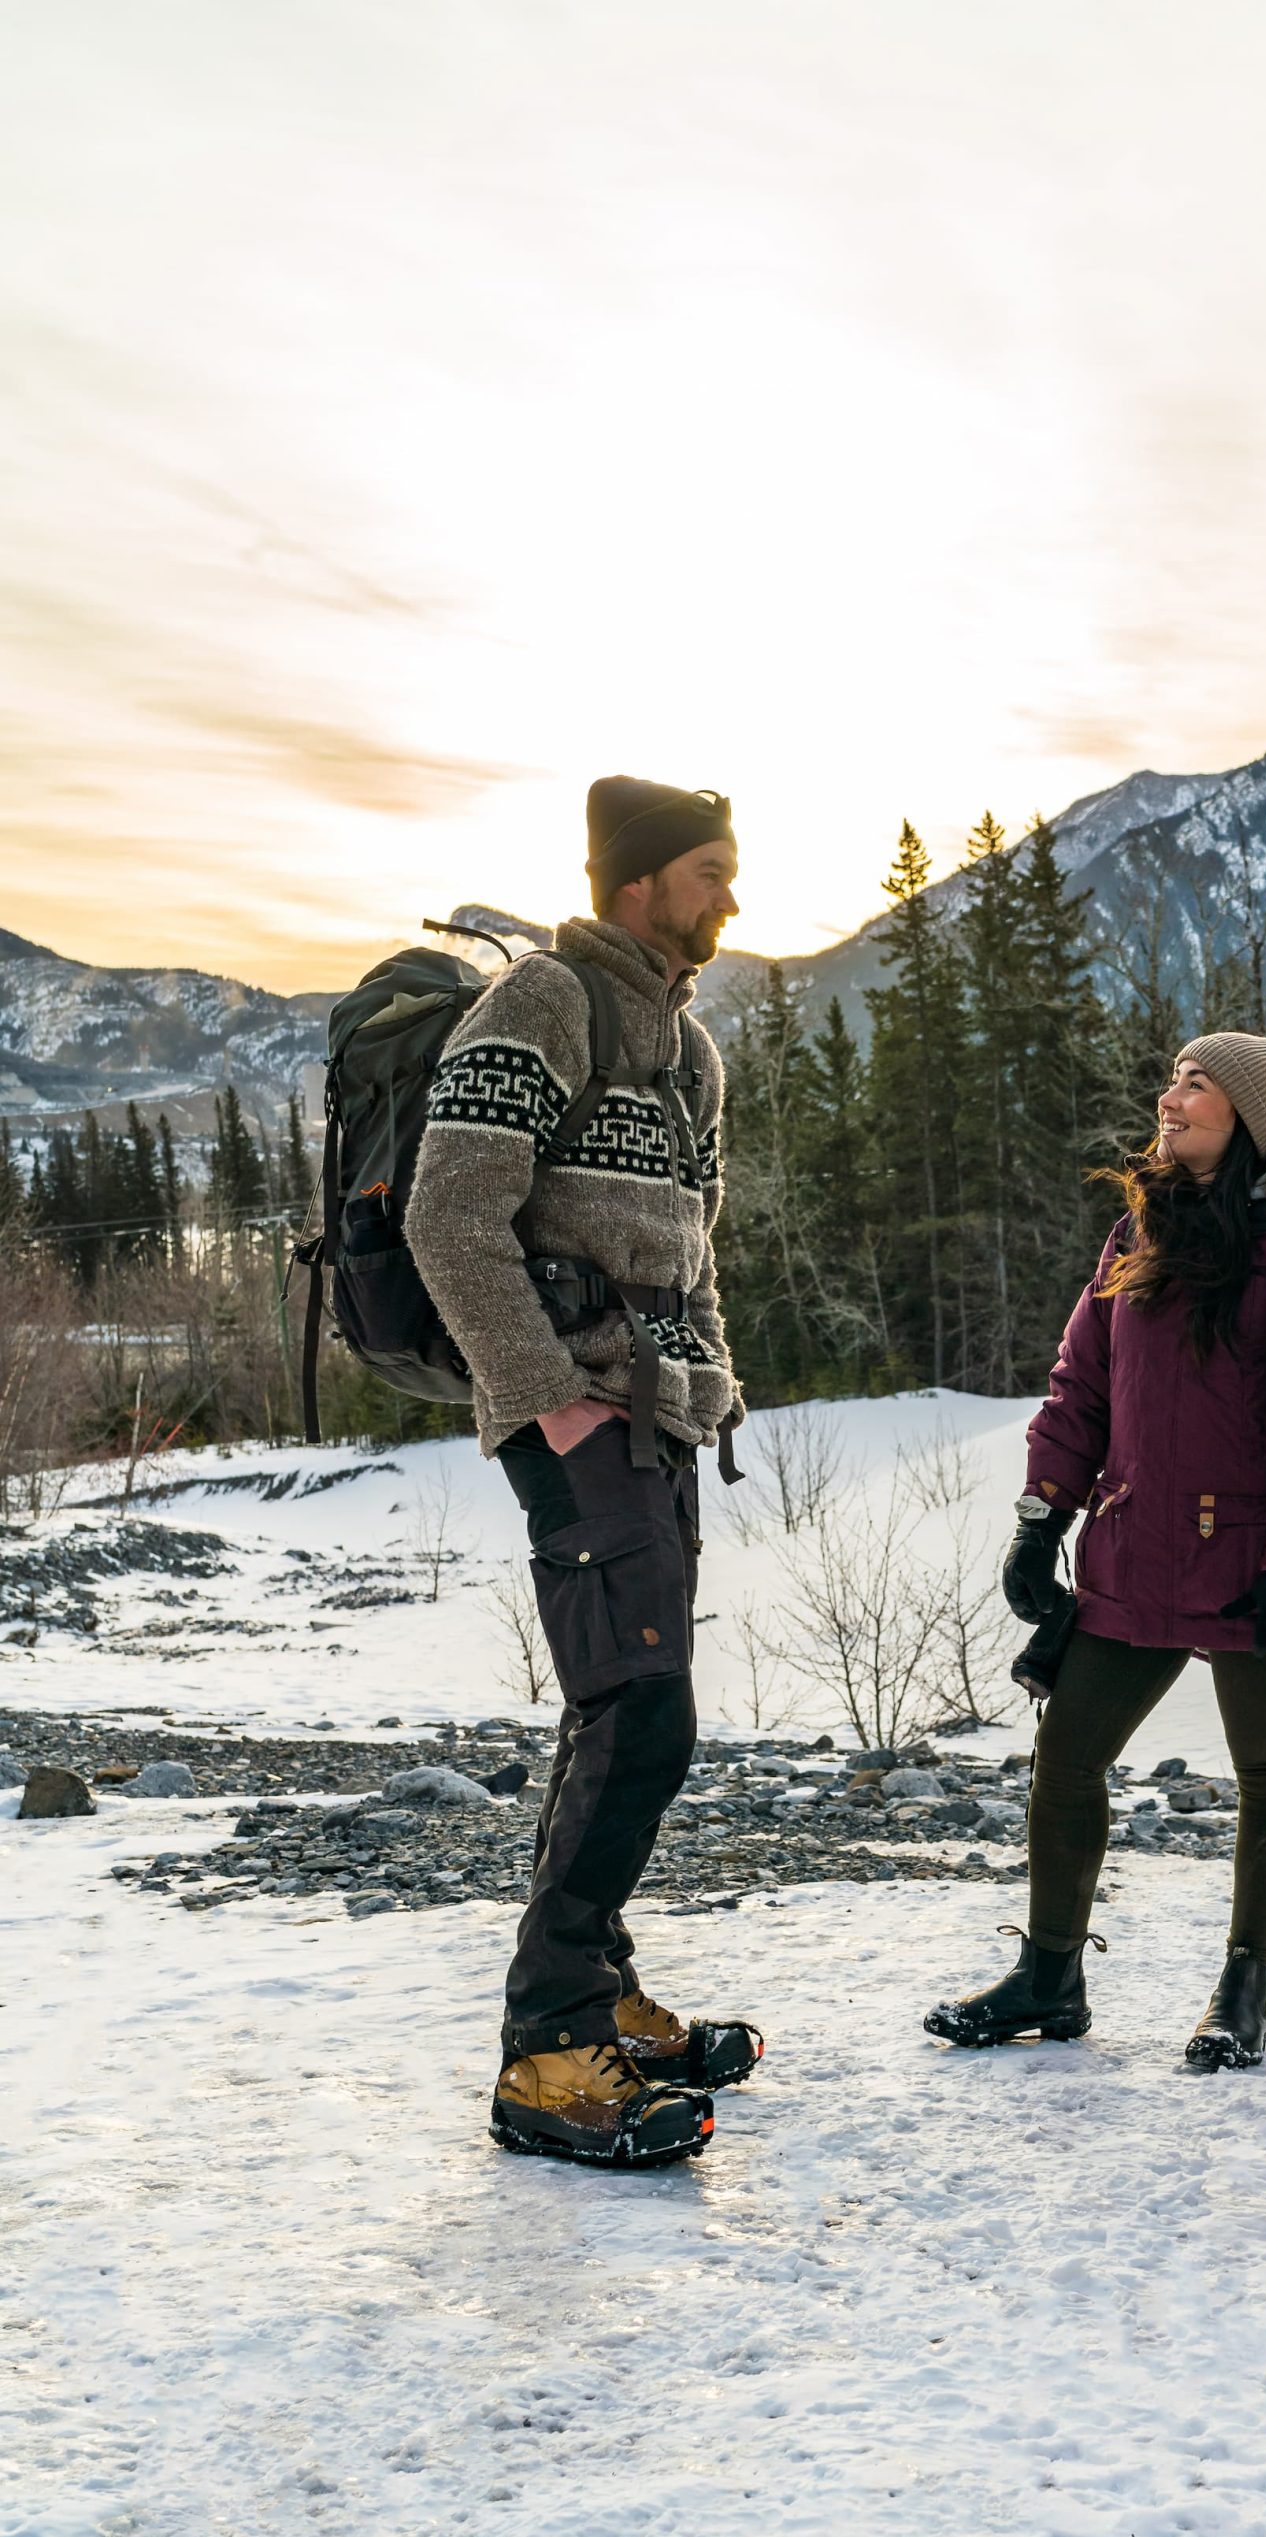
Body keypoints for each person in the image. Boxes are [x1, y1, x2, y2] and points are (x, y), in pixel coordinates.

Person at [407, 774, 760, 2168]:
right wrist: (545, 1397)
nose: (729, 894)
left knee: (624, 1709)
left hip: (660, 1415)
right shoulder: (545, 1001)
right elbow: (450, 1215)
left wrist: (710, 1381)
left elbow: (693, 1245)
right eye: (709, 870)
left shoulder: (692, 1049)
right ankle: (546, 2053)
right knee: (642, 1708)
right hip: (576, 1412)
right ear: (637, 882)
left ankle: (597, 1994)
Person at [924, 1032, 1266, 2069]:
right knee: (1066, 1759)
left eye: (1196, 1084)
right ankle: (1050, 1977)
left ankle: (1242, 1989)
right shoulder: (1138, 1232)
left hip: (1260, 1560)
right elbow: (1081, 1388)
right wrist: (1042, 1514)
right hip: (1136, 1545)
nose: (1169, 1099)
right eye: (1173, 1080)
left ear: (1249, 1117)